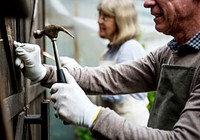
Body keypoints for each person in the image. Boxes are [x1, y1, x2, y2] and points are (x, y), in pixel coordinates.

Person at [14, 0, 200, 139]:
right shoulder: (169, 52)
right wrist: (44, 72)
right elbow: (111, 78)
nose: (147, 2)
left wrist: (92, 115)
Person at [86, 0, 149, 126]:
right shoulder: (110, 51)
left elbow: (117, 92)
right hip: (115, 125)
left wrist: (83, 81)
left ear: (121, 21)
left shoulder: (130, 48)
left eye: (105, 17)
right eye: (99, 15)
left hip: (131, 127)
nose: (99, 21)